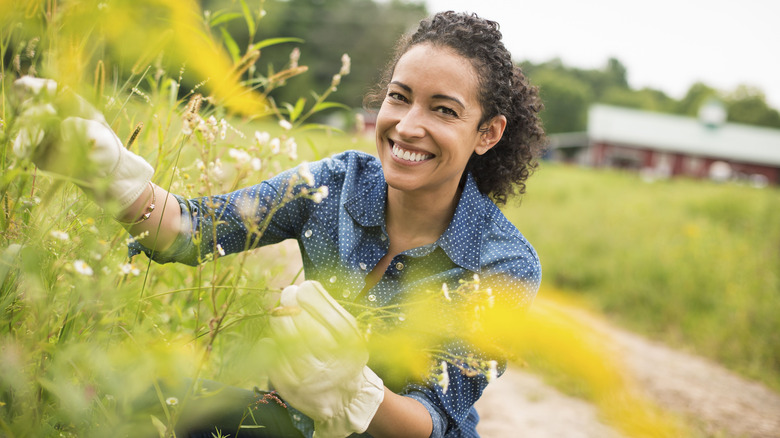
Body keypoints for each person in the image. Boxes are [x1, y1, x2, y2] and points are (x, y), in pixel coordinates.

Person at [13, 10, 545, 438]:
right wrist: (112, 178)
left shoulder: (503, 264)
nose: (407, 126)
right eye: (399, 97)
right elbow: (196, 228)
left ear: (488, 133)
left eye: (444, 111)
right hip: (292, 424)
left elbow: (435, 419)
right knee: (132, 393)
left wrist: (354, 394)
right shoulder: (336, 183)